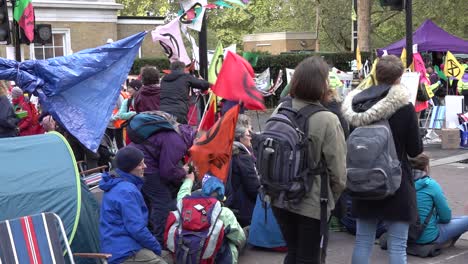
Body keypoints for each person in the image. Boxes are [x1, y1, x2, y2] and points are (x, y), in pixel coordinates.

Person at [342, 55, 423, 264]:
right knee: (397, 245)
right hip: (396, 182)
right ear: (400, 77)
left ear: (375, 75)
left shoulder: (357, 107)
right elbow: (415, 151)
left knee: (363, 241)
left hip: (363, 180)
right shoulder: (404, 108)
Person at [271, 56, 347, 264]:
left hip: (279, 197)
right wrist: (331, 201)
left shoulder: (281, 110)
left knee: (293, 252)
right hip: (312, 202)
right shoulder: (328, 119)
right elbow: (339, 174)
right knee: (309, 258)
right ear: (322, 84)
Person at [129, 112, 196, 244]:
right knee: (162, 203)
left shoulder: (175, 131)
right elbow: (167, 172)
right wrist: (183, 172)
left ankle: (147, 234)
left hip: (136, 161)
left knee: (146, 202)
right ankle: (159, 241)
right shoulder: (178, 143)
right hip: (146, 168)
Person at [99, 146, 166, 264]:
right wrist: (156, 247)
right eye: (140, 164)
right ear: (129, 168)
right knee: (166, 258)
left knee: (168, 256)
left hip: (117, 246)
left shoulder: (118, 184)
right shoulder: (127, 190)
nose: (145, 167)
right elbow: (137, 229)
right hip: (125, 252)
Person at [174, 173, 246, 263]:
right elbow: (239, 238)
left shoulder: (184, 204)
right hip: (212, 258)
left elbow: (182, 193)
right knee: (232, 241)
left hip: (187, 254)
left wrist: (189, 180)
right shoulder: (224, 212)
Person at [410, 153, 468, 247]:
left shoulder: (400, 182)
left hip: (402, 234)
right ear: (426, 167)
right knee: (465, 220)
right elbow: (445, 217)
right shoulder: (430, 185)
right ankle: (443, 242)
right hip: (425, 237)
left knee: (456, 219)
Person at [225, 125, 260, 227]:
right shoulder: (243, 157)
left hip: (231, 203)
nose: (251, 138)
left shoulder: (227, 152)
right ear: (240, 138)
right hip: (245, 207)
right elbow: (253, 187)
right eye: (248, 135)